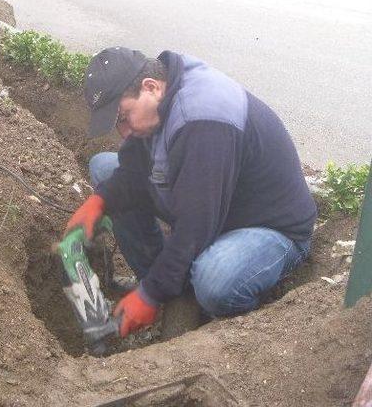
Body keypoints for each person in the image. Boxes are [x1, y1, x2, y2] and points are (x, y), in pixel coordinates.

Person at [64, 48, 317, 338]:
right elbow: (134, 171)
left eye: (124, 117)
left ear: (150, 87)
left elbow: (196, 226)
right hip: (215, 203)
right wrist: (100, 202)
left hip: (268, 226)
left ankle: (209, 324)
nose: (123, 132)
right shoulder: (162, 99)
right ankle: (169, 285)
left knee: (214, 280)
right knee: (106, 169)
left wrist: (149, 295)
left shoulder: (204, 119)